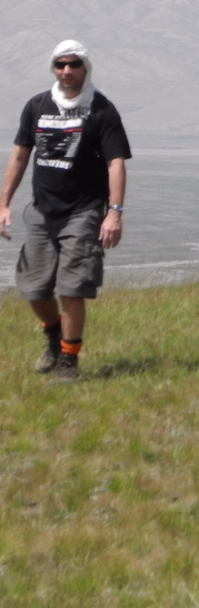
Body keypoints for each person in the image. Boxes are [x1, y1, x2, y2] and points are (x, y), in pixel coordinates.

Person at [0, 41, 131, 381]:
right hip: (42, 210)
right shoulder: (38, 106)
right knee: (33, 289)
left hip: (84, 211)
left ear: (85, 67)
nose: (67, 70)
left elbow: (116, 162)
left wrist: (114, 212)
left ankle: (69, 362)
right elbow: (19, 155)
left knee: (72, 287)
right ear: (53, 68)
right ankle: (53, 337)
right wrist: (3, 203)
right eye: (60, 64)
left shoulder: (101, 110)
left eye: (74, 64)